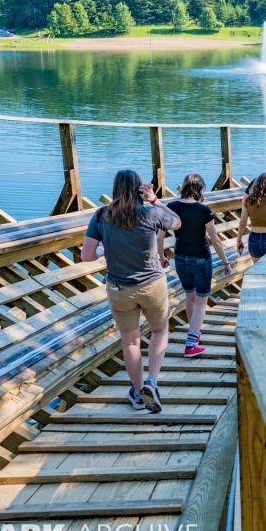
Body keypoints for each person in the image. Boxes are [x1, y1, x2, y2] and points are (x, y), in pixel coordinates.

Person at [81, 169, 181, 413]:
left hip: (118, 288)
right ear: (139, 188)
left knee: (131, 342)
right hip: (152, 285)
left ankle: (138, 394)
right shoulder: (152, 212)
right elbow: (177, 222)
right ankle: (152, 382)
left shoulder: (101, 216)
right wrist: (155, 200)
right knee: (159, 330)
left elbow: (86, 256)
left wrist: (104, 252)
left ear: (115, 188)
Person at [160, 174, 232, 358]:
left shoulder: (172, 207)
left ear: (183, 187)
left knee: (189, 297)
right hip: (200, 257)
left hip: (181, 257)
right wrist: (225, 261)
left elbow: (159, 237)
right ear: (200, 189)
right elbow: (215, 239)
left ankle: (194, 334)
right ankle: (191, 344)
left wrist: (161, 257)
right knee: (201, 302)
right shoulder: (203, 210)